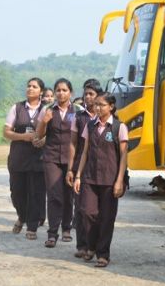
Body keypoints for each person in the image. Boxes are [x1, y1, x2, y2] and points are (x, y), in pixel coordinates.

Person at [74, 92, 128, 268]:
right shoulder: (90, 125)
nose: (97, 108)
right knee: (87, 212)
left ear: (111, 107)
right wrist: (78, 175)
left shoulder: (119, 127)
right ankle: (92, 245)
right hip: (90, 177)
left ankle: (102, 254)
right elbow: (85, 152)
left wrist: (119, 180)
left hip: (110, 179)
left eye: (101, 105)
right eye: (96, 104)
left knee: (107, 218)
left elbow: (123, 156)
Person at [36, 78, 81, 248]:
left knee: (69, 195)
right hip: (52, 158)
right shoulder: (47, 110)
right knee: (54, 195)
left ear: (71, 93)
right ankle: (52, 233)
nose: (61, 93)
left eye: (64, 90)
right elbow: (38, 136)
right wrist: (44, 122)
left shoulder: (78, 110)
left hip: (71, 159)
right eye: (58, 90)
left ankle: (67, 228)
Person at [4, 77, 46, 240]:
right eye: (28, 86)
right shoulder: (17, 108)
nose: (30, 89)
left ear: (41, 91)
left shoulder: (46, 110)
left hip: (38, 158)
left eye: (34, 87)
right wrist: (23, 137)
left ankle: (32, 226)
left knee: (35, 193)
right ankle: (22, 216)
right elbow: (6, 132)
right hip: (18, 157)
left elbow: (52, 132)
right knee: (17, 193)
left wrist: (43, 140)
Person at [66, 79, 102, 258]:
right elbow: (73, 144)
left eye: (91, 94)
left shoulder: (108, 118)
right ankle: (82, 245)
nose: (87, 97)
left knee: (96, 210)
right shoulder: (78, 117)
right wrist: (71, 169)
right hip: (81, 165)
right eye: (86, 94)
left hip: (102, 168)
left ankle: (96, 244)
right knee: (80, 207)